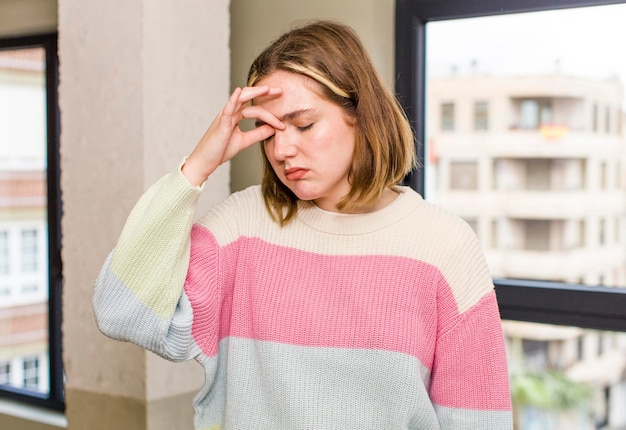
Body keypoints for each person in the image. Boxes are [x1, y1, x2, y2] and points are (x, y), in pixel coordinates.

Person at [93, 20, 513, 429]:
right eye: (268, 130)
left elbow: (478, 419)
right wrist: (196, 168)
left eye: (304, 124)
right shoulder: (242, 227)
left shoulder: (445, 246)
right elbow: (120, 311)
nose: (281, 149)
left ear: (361, 115)